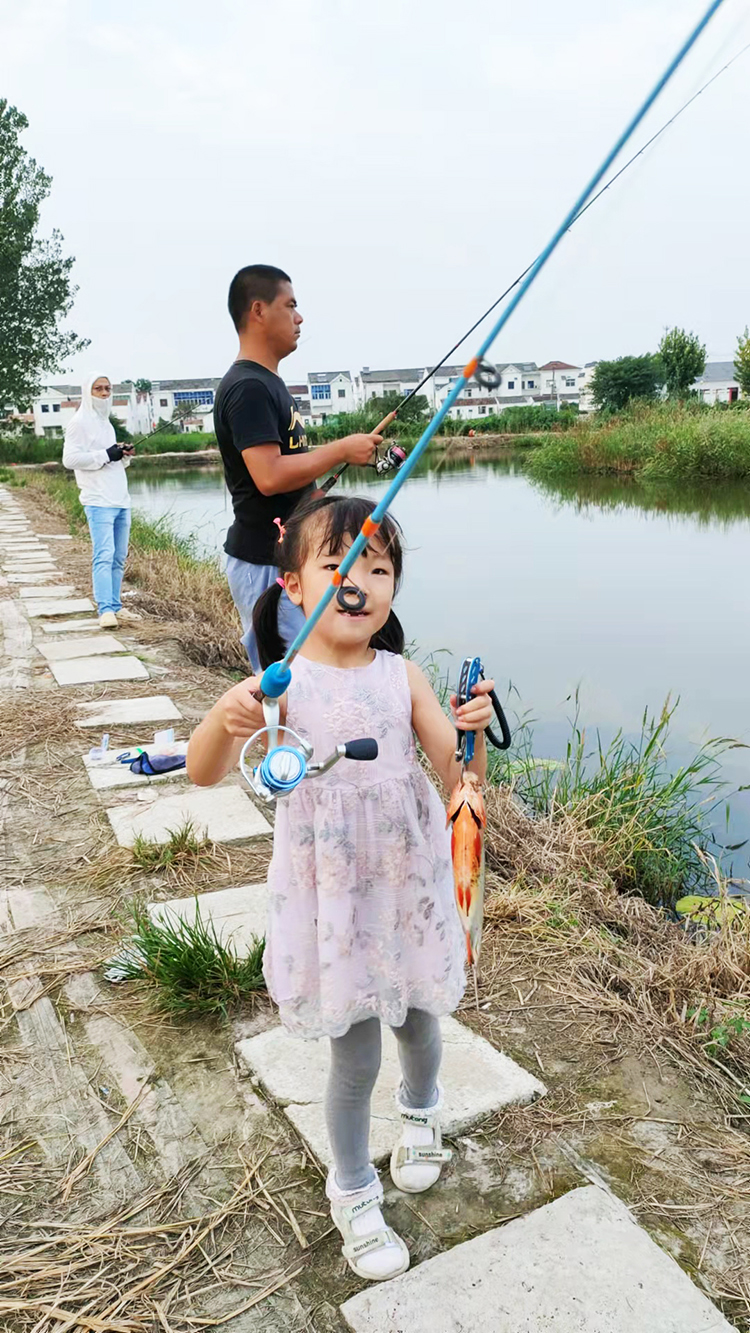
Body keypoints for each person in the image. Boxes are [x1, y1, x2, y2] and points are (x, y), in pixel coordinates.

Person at [187, 494, 494, 1283]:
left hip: (409, 887)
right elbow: (204, 771)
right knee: (353, 1056)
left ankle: (423, 1115)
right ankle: (353, 1189)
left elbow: (461, 784)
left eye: (379, 566)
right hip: (332, 905)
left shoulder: (405, 675)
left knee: (424, 1022)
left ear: (394, 589)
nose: (359, 580)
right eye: (339, 564)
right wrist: (224, 720)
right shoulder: (278, 687)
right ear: (293, 585)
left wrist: (472, 734)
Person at [214, 264, 392, 670]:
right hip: (263, 561)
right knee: (289, 678)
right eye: (290, 305)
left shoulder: (270, 383)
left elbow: (290, 475)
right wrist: (342, 449)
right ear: (258, 311)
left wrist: (315, 501)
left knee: (315, 674)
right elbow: (269, 475)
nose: (299, 318)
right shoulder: (249, 388)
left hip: (286, 557)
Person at [62, 374, 140, 629]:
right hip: (97, 500)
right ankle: (104, 610)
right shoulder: (78, 423)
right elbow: (70, 460)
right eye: (99, 389)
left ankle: (116, 605)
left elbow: (109, 459)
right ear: (88, 392)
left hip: (120, 498)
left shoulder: (106, 424)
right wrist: (105, 454)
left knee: (118, 556)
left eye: (108, 388)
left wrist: (121, 454)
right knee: (103, 555)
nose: (105, 393)